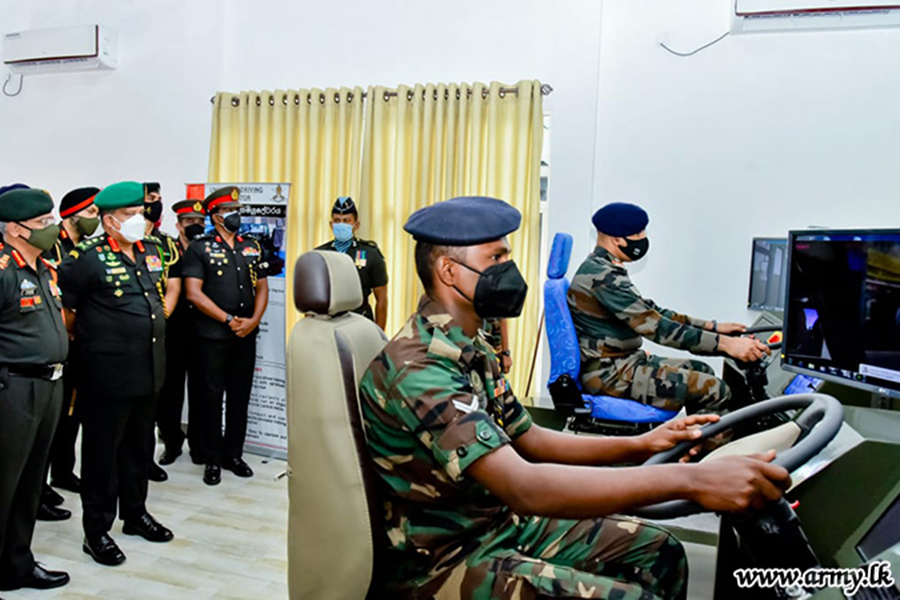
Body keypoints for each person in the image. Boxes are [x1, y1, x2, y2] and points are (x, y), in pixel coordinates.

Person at [359, 196, 791, 599]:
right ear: (449, 272)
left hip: (497, 523)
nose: (508, 270)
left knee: (660, 552)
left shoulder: (473, 347)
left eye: (507, 255)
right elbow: (524, 485)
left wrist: (643, 443)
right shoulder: (421, 368)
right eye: (496, 258)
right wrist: (693, 481)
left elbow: (532, 440)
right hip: (445, 558)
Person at [58, 181, 173, 567]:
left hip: (149, 366)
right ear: (109, 220)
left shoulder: (152, 249)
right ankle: (96, 531)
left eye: (140, 213)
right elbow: (68, 316)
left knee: (140, 447)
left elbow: (154, 296)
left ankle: (135, 514)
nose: (140, 219)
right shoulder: (84, 258)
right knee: (101, 454)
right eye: (130, 215)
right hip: (107, 373)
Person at [568, 202, 769, 415]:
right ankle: (704, 448)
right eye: (638, 233)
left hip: (622, 363)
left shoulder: (604, 267)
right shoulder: (604, 278)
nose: (644, 237)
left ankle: (693, 443)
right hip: (609, 374)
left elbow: (653, 312)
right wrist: (726, 345)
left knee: (701, 370)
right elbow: (658, 328)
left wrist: (714, 327)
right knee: (714, 390)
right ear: (616, 239)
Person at [0, 188, 70, 592]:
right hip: (13, 389)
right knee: (4, 482)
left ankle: (17, 564)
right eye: (43, 223)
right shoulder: (5, 270)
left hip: (48, 386)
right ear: (15, 229)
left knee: (30, 483)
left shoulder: (43, 268)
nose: (53, 227)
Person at [183, 187, 269, 486]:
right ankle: (211, 458)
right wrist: (228, 319)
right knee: (210, 398)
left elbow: (262, 287)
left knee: (239, 396)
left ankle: (233, 454)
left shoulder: (252, 246)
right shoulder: (200, 248)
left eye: (238, 207)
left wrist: (253, 320)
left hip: (246, 333)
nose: (237, 213)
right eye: (231, 208)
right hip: (211, 335)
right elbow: (193, 293)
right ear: (216, 215)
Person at [40, 186, 100, 514]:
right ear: (72, 214)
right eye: (91, 213)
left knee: (72, 412)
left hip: (82, 340)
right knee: (54, 414)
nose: (96, 220)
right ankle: (40, 486)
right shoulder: (52, 245)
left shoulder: (88, 246)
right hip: (59, 337)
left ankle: (63, 471)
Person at [157, 200, 206, 467]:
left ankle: (199, 445)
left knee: (200, 389)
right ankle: (171, 443)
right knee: (170, 390)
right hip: (172, 330)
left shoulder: (208, 248)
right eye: (189, 222)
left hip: (202, 330)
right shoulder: (165, 249)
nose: (195, 226)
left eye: (200, 221)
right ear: (178, 225)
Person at [142, 183, 183, 482]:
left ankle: (161, 449)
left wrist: (160, 317)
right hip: (129, 336)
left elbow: (174, 285)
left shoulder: (166, 245)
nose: (155, 205)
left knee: (164, 394)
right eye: (149, 200)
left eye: (158, 200)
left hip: (164, 329)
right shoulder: (116, 244)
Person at [315, 196, 388, 329]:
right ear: (331, 225)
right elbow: (312, 298)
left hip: (360, 321)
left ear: (356, 225)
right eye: (337, 220)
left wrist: (380, 337)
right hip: (327, 322)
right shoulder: (320, 255)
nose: (341, 224)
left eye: (346, 221)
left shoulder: (371, 253)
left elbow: (382, 300)